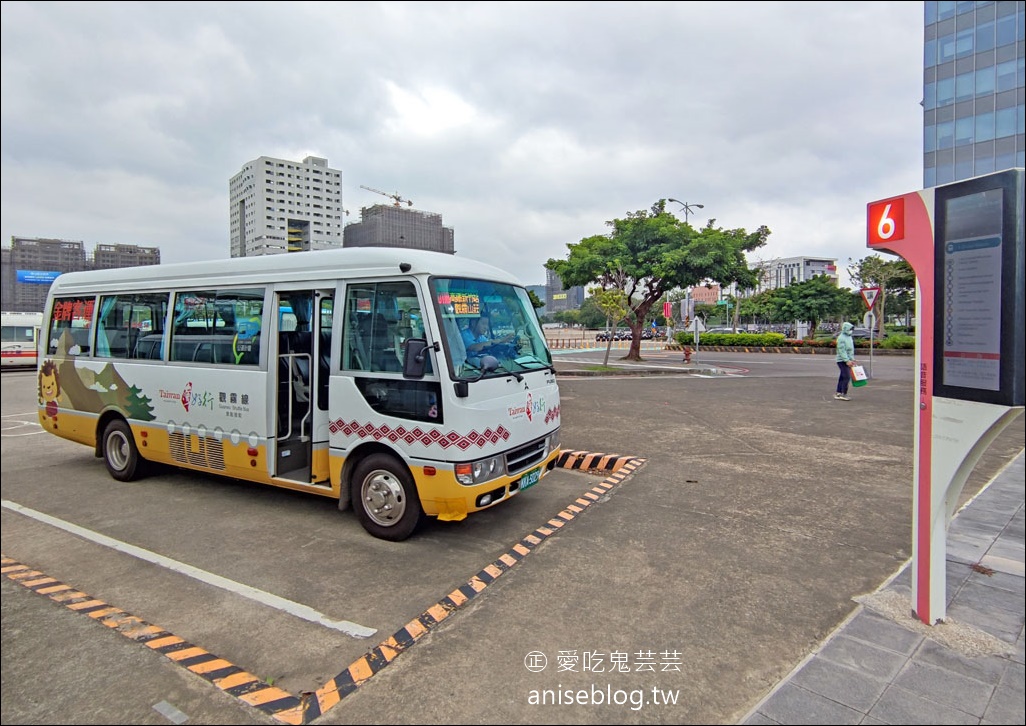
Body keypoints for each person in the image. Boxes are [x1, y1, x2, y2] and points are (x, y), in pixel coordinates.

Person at [834, 321, 857, 401]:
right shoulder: (841, 338)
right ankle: (844, 393)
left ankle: (838, 392)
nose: (851, 330)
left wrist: (852, 359)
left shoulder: (849, 337)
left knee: (843, 376)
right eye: (850, 329)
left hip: (848, 359)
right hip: (842, 360)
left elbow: (851, 350)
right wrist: (847, 360)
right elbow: (842, 350)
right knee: (846, 376)